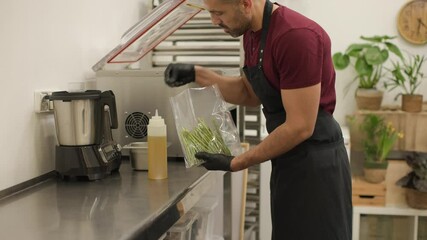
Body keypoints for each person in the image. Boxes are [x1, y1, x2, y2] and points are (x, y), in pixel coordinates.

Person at [164, 0, 352, 239]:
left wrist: (237, 162)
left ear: (245, 3)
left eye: (218, 13)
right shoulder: (251, 35)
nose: (214, 21)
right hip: (288, 160)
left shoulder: (296, 37)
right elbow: (249, 93)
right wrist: (196, 73)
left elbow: (300, 127)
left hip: (316, 165)